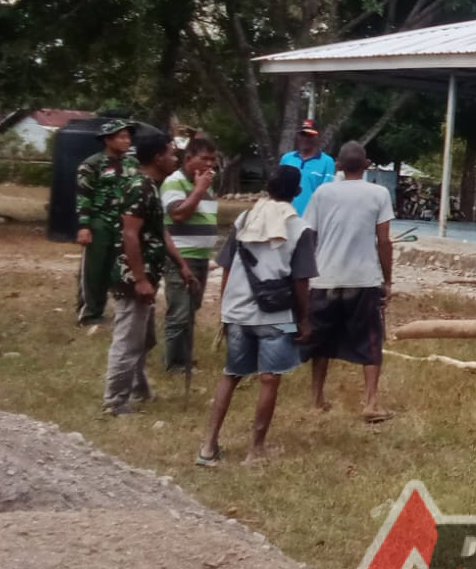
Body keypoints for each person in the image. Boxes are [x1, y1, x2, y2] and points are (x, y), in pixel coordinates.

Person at [198, 165, 318, 466]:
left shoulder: (243, 218)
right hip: (277, 315)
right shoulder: (298, 228)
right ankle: (256, 450)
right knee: (269, 378)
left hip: (237, 309)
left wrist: (225, 309)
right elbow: (301, 281)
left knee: (231, 374)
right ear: (298, 193)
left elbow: (227, 266)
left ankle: (208, 446)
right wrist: (304, 320)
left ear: (267, 187)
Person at [301, 141, 396, 422]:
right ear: (367, 165)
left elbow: (310, 236)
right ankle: (370, 402)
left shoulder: (322, 193)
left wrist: (308, 273)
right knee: (370, 339)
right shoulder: (378, 193)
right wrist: (388, 279)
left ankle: (317, 400)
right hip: (363, 279)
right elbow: (383, 241)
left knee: (321, 340)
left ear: (338, 165)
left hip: (325, 278)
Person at [103, 132, 195, 415]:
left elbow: (158, 230)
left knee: (144, 337)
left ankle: (139, 388)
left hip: (148, 276)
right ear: (157, 157)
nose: (175, 158)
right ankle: (114, 401)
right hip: (133, 278)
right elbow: (130, 235)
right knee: (129, 338)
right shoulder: (140, 187)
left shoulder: (151, 187)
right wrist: (140, 279)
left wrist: (180, 263)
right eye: (171, 153)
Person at [161, 136, 220, 378]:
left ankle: (185, 358)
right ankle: (173, 363)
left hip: (201, 256)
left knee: (191, 308)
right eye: (204, 159)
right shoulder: (173, 182)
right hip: (181, 255)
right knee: (179, 310)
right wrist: (198, 190)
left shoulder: (204, 183)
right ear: (188, 159)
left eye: (212, 160)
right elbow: (178, 214)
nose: (209, 165)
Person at [75, 119, 138, 325]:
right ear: (108, 140)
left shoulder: (132, 164)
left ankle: (112, 310)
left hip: (123, 224)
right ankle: (89, 312)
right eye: (121, 137)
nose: (126, 141)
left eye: (128, 136)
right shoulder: (92, 164)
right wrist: (84, 226)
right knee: (94, 269)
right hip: (99, 222)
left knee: (116, 269)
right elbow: (84, 195)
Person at [279, 119, 337, 215]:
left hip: (310, 219)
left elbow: (326, 193)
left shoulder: (327, 161)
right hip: (285, 216)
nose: (305, 138)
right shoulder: (287, 158)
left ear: (318, 137)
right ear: (298, 136)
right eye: (303, 134)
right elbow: (278, 188)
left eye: (310, 135)